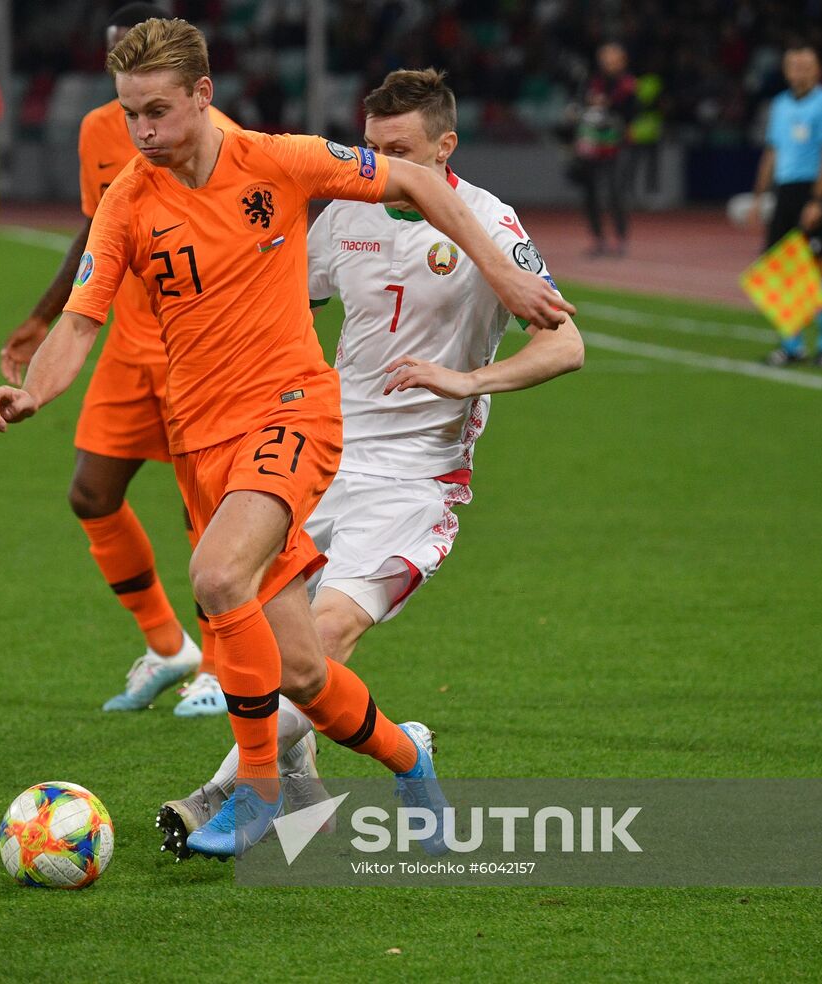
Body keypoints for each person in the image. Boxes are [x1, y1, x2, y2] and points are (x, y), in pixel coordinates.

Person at [0, 17, 573, 858]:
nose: (140, 132)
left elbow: (422, 185)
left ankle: (254, 790)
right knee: (299, 668)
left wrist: (504, 271)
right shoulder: (128, 201)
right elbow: (84, 320)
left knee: (219, 574)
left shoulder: (280, 160)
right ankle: (410, 757)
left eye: (155, 112)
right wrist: (31, 392)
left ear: (202, 95)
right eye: (128, 115)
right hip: (202, 441)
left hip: (294, 413)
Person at [157, 68, 585, 857]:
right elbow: (282, 302)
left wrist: (469, 379)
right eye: (373, 147)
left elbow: (566, 343)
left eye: (402, 150)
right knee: (255, 636)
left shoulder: (489, 223)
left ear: (445, 147)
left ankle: (222, 794)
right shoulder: (347, 213)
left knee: (321, 639)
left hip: (416, 482)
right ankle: (334, 778)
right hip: (315, 454)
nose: (383, 163)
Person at [0, 3, 236, 717]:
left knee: (209, 517)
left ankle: (223, 670)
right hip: (127, 342)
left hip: (198, 352)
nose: (136, 112)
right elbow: (94, 230)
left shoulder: (219, 140)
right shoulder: (100, 129)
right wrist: (43, 316)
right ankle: (171, 649)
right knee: (91, 494)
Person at [753, 44, 822, 369]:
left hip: (812, 190)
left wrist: (818, 200)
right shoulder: (779, 105)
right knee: (781, 270)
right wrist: (759, 194)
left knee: (819, 267)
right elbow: (772, 151)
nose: (800, 71)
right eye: (794, 65)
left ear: (817, 69)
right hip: (785, 192)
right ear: (786, 69)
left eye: (806, 65)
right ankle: (792, 344)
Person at [571, 42, 637, 257]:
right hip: (592, 148)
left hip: (617, 148)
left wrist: (607, 105)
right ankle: (598, 239)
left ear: (622, 61)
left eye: (613, 59)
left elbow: (632, 113)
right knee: (591, 194)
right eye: (606, 58)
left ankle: (620, 238)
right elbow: (580, 107)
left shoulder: (628, 85)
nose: (609, 63)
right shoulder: (592, 82)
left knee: (616, 193)